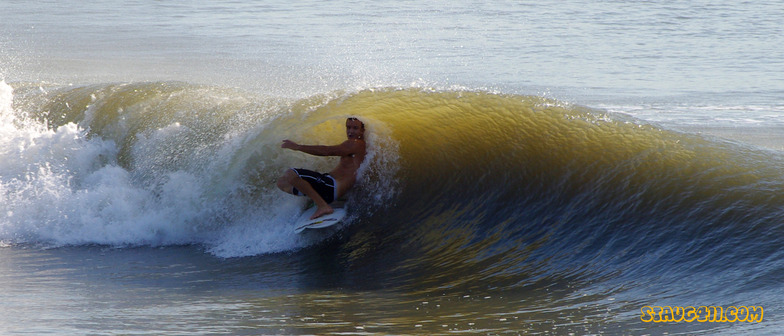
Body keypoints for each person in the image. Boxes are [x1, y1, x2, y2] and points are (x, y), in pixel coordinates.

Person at [276, 117, 366, 219]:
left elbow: (327, 151)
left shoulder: (356, 143)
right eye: (348, 127)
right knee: (282, 182)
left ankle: (323, 206)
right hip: (330, 190)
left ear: (362, 130)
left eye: (355, 128)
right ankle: (317, 199)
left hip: (331, 187)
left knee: (291, 173)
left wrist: (298, 147)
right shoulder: (358, 145)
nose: (350, 131)